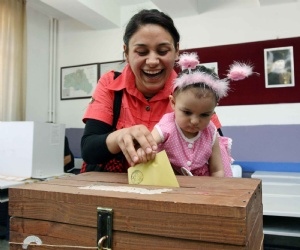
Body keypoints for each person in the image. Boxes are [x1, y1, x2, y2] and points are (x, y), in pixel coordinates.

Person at [80, 9, 180, 173]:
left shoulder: (190, 88)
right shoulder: (110, 83)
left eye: (163, 51)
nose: (152, 61)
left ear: (177, 51)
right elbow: (89, 150)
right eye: (141, 52)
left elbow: (215, 145)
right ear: (126, 53)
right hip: (114, 193)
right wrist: (120, 136)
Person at [136, 53, 256, 177]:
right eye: (187, 112)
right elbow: (147, 146)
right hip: (171, 181)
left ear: (213, 111)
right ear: (173, 102)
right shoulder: (167, 127)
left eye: (204, 115)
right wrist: (143, 152)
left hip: (202, 185)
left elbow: (217, 170)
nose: (194, 121)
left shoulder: (210, 132)